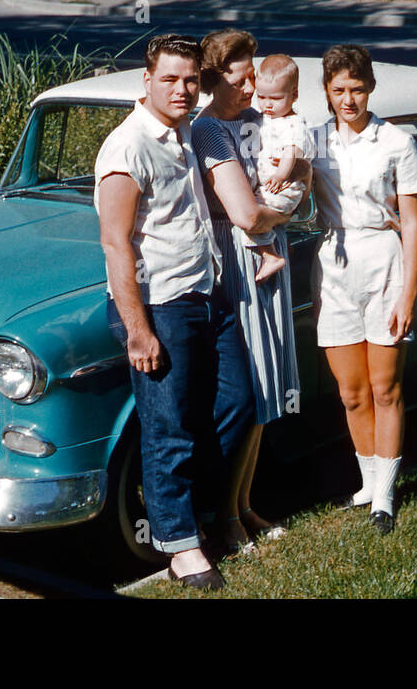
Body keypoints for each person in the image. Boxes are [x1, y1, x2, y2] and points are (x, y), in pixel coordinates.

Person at [94, 33, 254, 590]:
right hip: (158, 306)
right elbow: (117, 244)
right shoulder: (127, 147)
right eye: (170, 79)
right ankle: (180, 547)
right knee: (169, 430)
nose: (183, 89)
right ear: (147, 81)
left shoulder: (189, 133)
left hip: (208, 295)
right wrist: (137, 329)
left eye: (191, 80)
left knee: (238, 403)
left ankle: (203, 514)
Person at [191, 29, 305, 553]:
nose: (251, 87)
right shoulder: (210, 130)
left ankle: (243, 504)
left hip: (268, 253)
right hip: (240, 259)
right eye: (240, 79)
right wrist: (285, 210)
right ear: (216, 80)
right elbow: (242, 213)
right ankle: (223, 515)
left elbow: (301, 163)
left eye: (253, 74)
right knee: (250, 386)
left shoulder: (259, 120)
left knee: (266, 386)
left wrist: (297, 179)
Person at [311, 44, 417, 534]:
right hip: (334, 267)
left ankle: (386, 494)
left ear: (371, 87)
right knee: (353, 393)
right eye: (339, 90)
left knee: (385, 387)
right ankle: (366, 483)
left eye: (357, 88)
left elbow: (412, 223)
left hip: (384, 263)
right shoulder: (313, 141)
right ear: (327, 92)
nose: (349, 99)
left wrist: (410, 293)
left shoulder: (396, 142)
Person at [241, 53, 312, 284]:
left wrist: (281, 175)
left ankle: (270, 255)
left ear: (295, 95)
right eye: (261, 97)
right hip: (269, 187)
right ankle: (280, 245)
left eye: (275, 98)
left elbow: (292, 151)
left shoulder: (293, 123)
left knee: (252, 215)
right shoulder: (262, 118)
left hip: (284, 188)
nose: (267, 104)